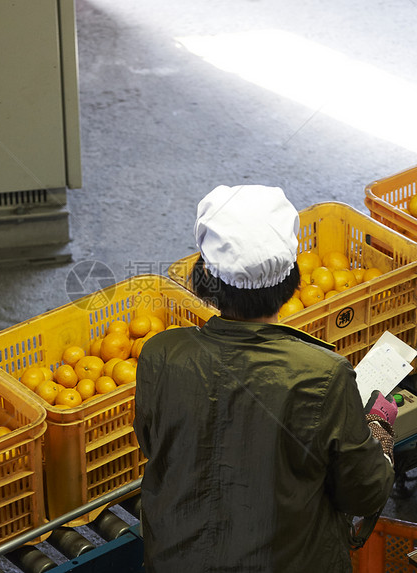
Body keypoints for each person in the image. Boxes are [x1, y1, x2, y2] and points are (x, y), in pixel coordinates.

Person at [133, 185, 397, 572]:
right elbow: (364, 492)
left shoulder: (161, 355)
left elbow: (151, 443)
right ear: (292, 279)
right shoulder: (324, 373)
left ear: (205, 277)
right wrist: (379, 432)